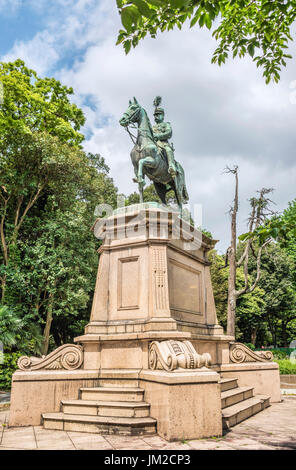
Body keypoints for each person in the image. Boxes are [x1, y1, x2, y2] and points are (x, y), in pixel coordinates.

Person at [152, 96, 176, 177]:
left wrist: (157, 136)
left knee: (168, 150)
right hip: (154, 145)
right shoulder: (152, 127)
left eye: (158, 115)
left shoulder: (166, 124)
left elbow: (169, 133)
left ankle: (171, 166)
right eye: (155, 115)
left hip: (163, 144)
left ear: (163, 115)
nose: (156, 117)